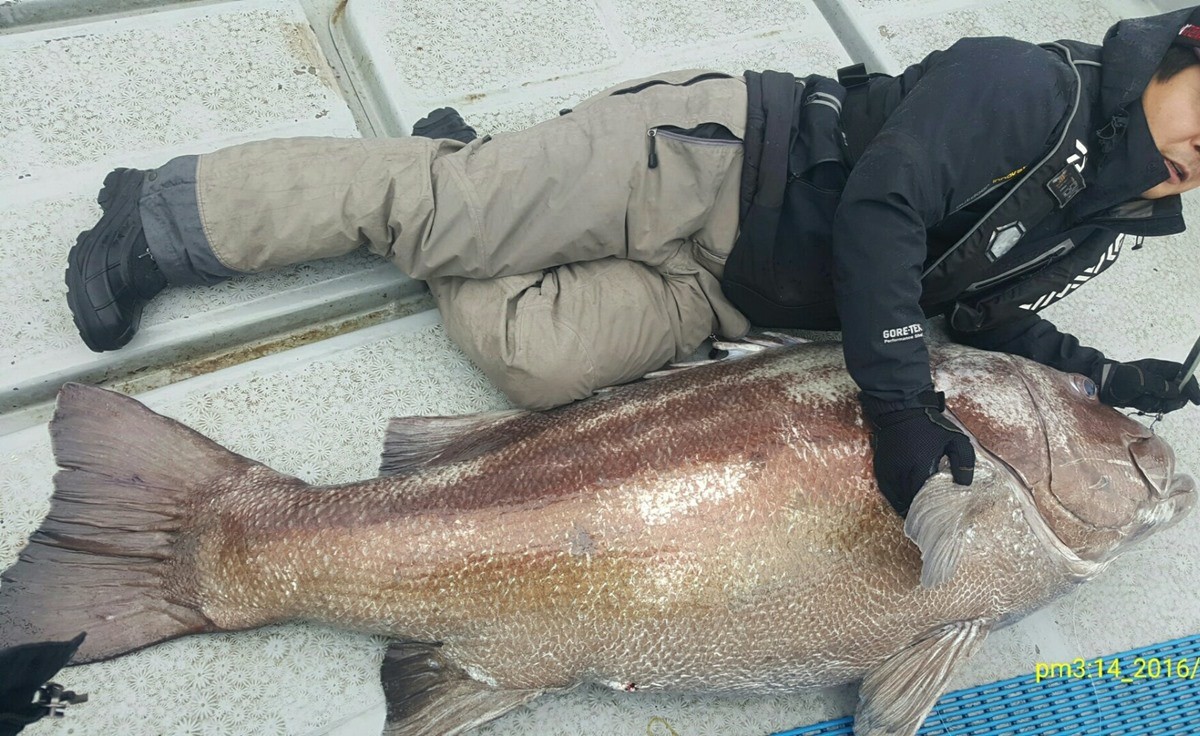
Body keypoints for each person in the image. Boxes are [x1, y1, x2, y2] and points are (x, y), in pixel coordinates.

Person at [64, 8, 1200, 518]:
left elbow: (990, 310)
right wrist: (900, 410)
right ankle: (161, 214)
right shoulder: (1028, 86)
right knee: (443, 215)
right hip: (705, 162)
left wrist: (1113, 375)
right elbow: (884, 214)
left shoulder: (1104, 214)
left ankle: (476, 169)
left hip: (720, 290)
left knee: (533, 362)